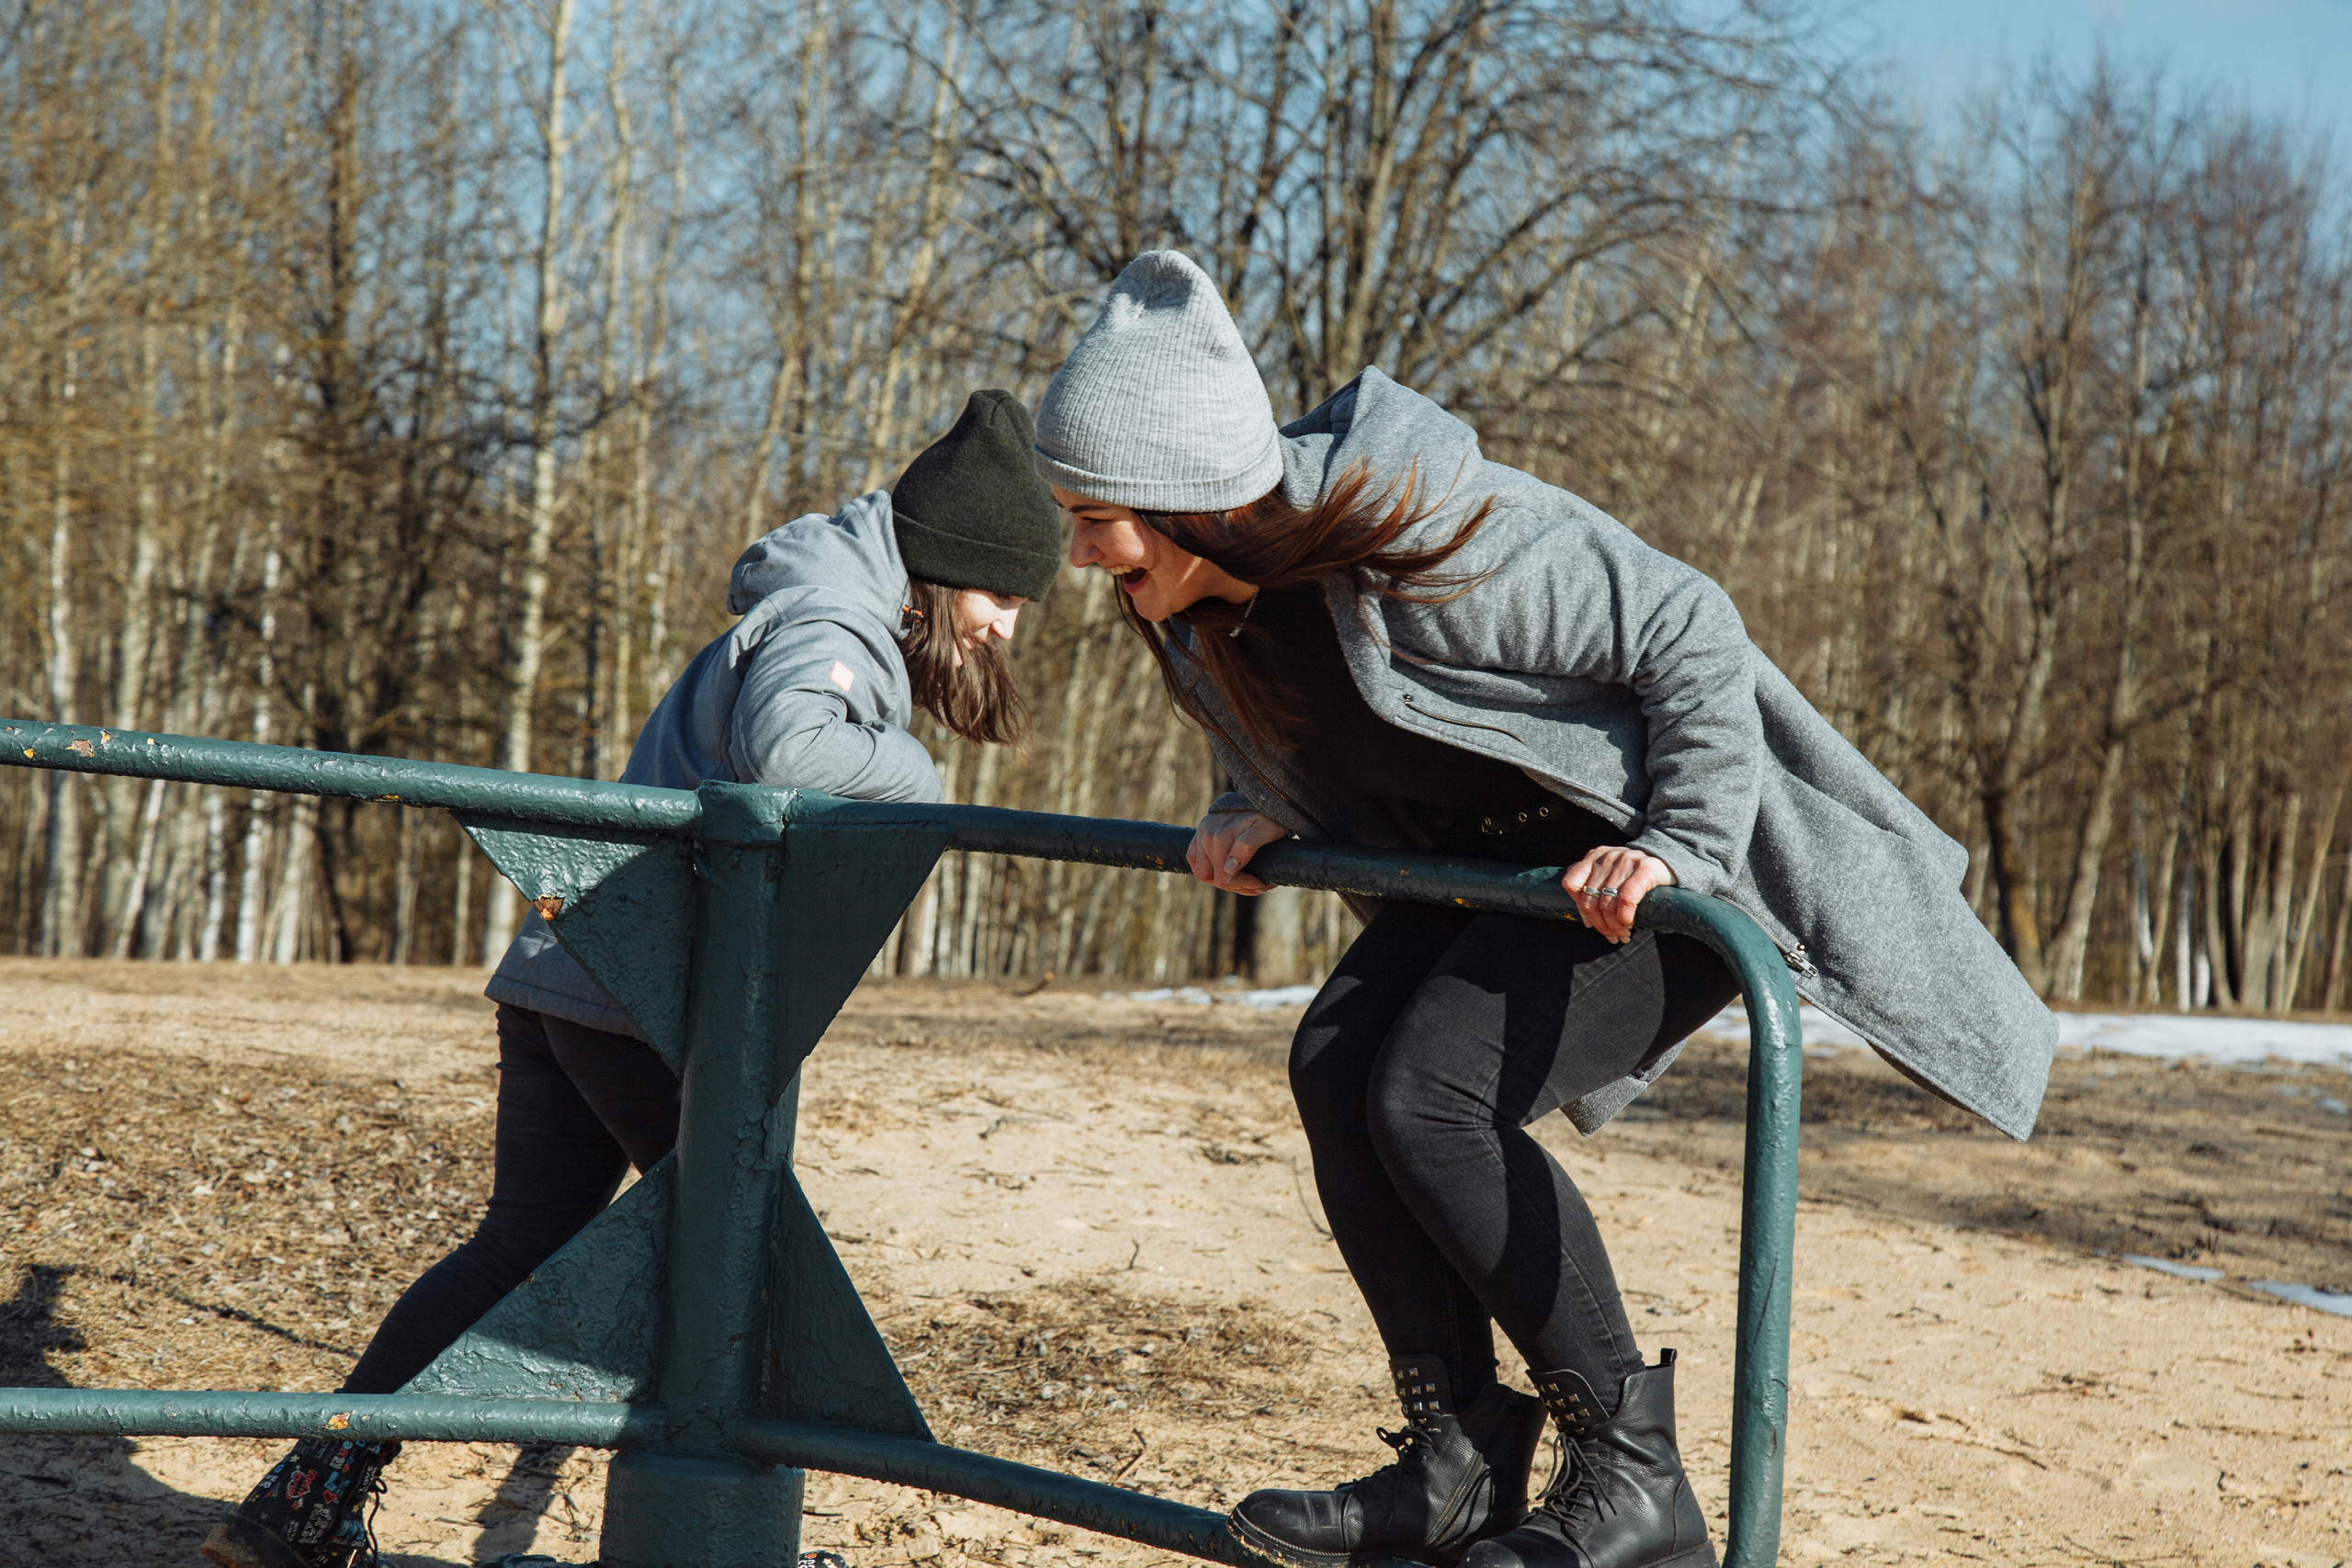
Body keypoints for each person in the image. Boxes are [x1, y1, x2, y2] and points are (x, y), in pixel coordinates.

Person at [1034, 254, 2053, 1568]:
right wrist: (1248, 797)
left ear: (1193, 499)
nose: (1077, 549)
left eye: (1097, 514)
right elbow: (1301, 718)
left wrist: (1678, 841)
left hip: (1656, 862)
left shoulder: (1434, 539)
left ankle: (1636, 1472)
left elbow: (1691, 625)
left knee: (1428, 1092)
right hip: (1497, 862)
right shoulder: (1185, 599)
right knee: (1337, 1062)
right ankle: (1457, 1457)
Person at [202, 390, 1064, 1568]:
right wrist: (924, 782)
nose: (1004, 627)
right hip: (637, 1002)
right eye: (1000, 596)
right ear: (943, 567)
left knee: (524, 1245)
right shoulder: (833, 621)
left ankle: (307, 1493)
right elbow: (794, 751)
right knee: (738, 1267)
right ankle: (702, 1531)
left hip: (577, 978)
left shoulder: (827, 609)